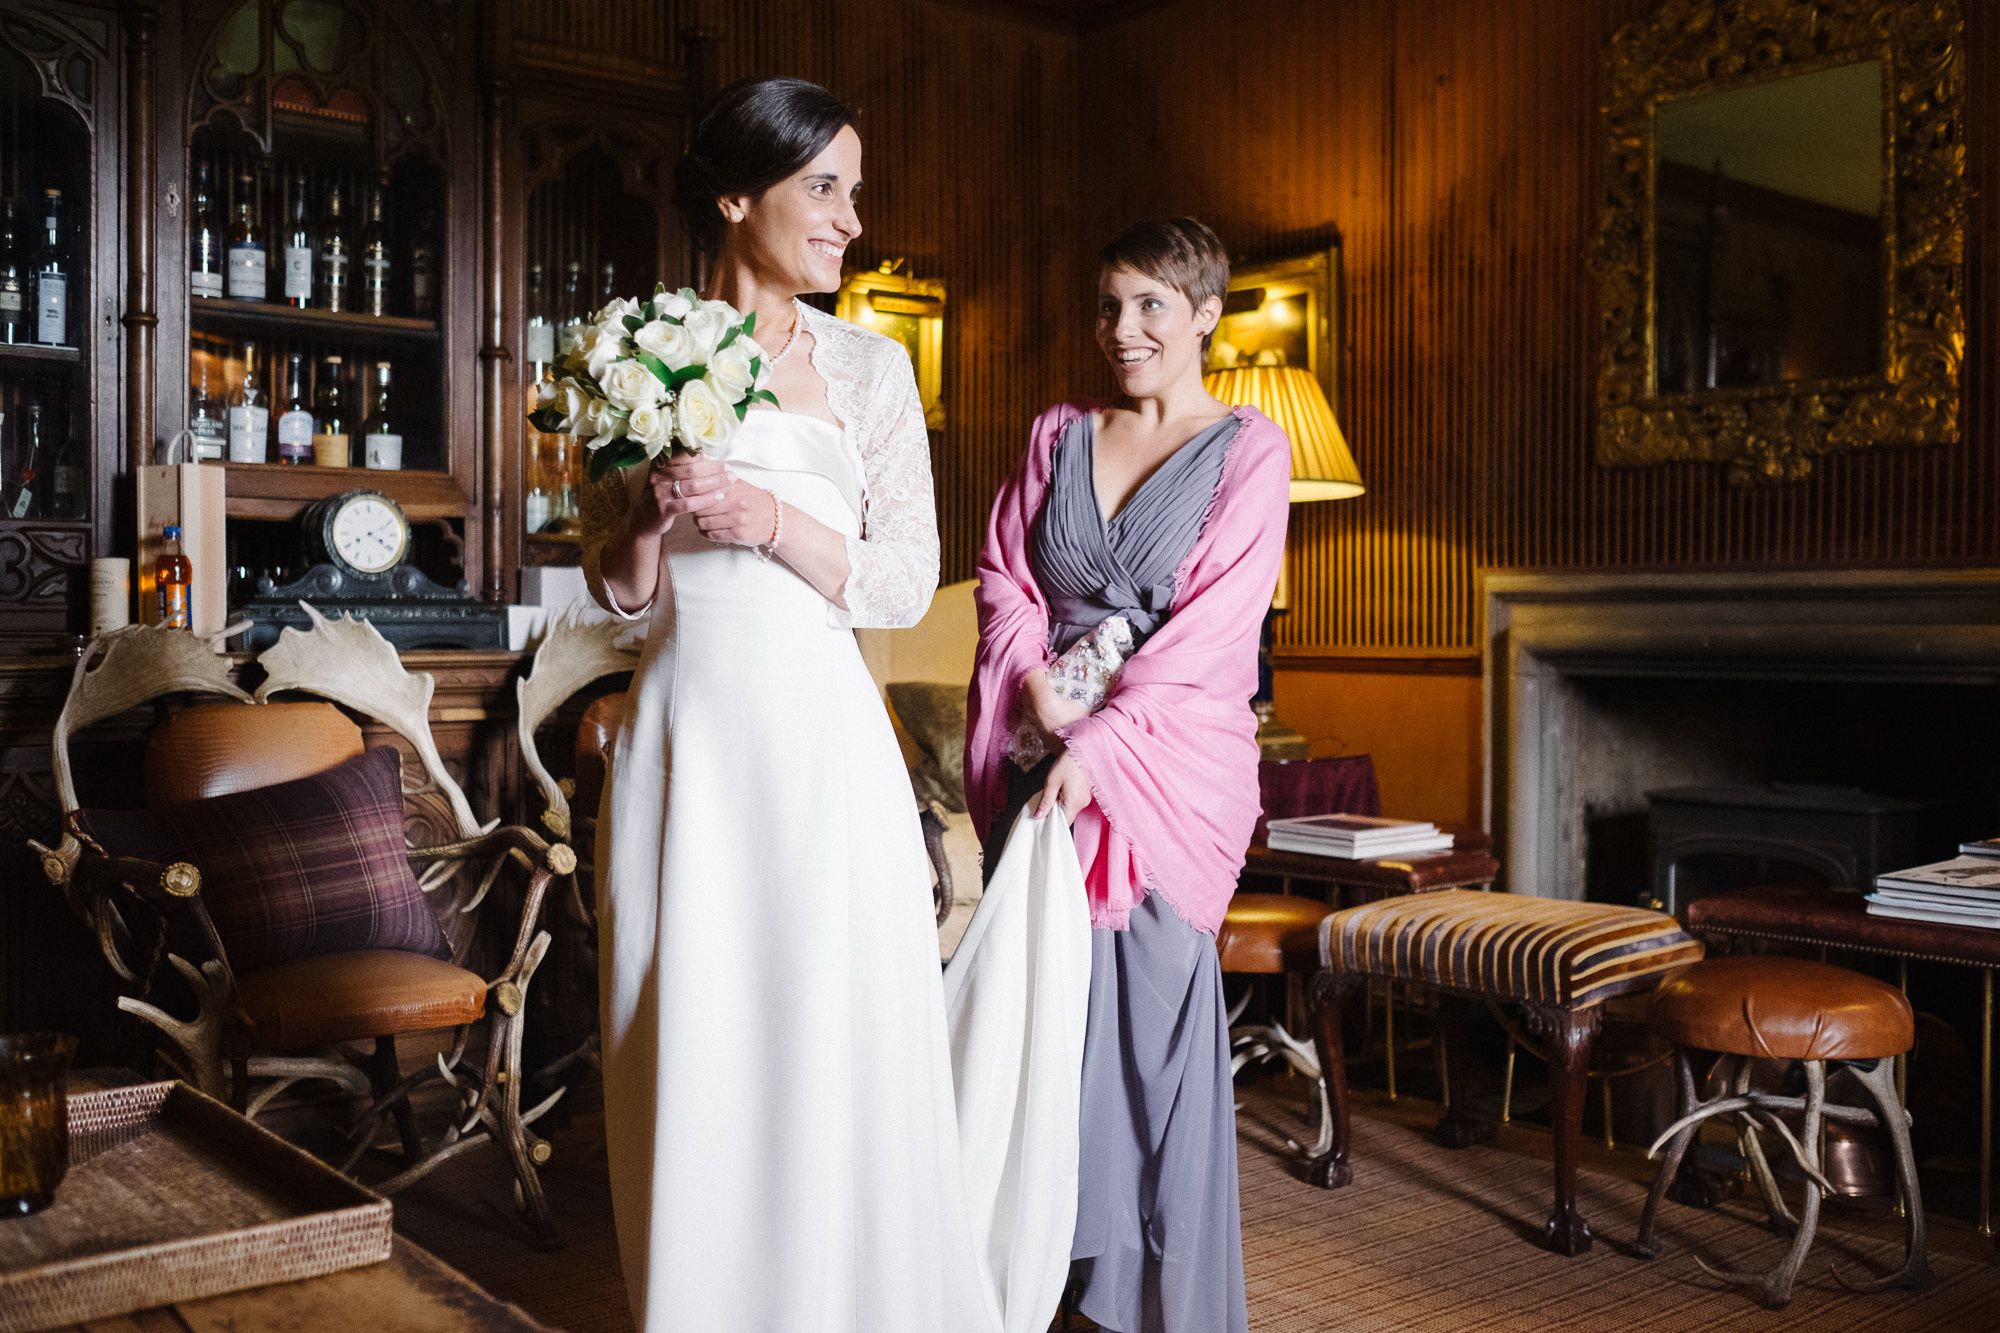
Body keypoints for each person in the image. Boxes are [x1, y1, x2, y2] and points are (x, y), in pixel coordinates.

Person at [583, 77, 984, 1332]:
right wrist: (648, 510)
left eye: (853, 192)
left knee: (826, 1021)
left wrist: (768, 521)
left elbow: (902, 576)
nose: (850, 220)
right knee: (680, 1024)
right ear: (733, 196)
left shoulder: (868, 370)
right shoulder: (636, 351)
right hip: (685, 739)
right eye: (824, 188)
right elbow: (618, 588)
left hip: (816, 741)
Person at [965, 216, 1292, 1333]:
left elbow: (1214, 632)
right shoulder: (1058, 433)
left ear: (1206, 312)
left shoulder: (1250, 449)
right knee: (1038, 1022)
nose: (1122, 328)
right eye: (1109, 305)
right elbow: (1005, 577)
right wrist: (1030, 692)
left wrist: (1100, 750)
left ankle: (1145, 1305)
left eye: (1150, 304)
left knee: (1143, 1034)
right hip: (1036, 757)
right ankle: (1040, 1284)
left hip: (1164, 779)